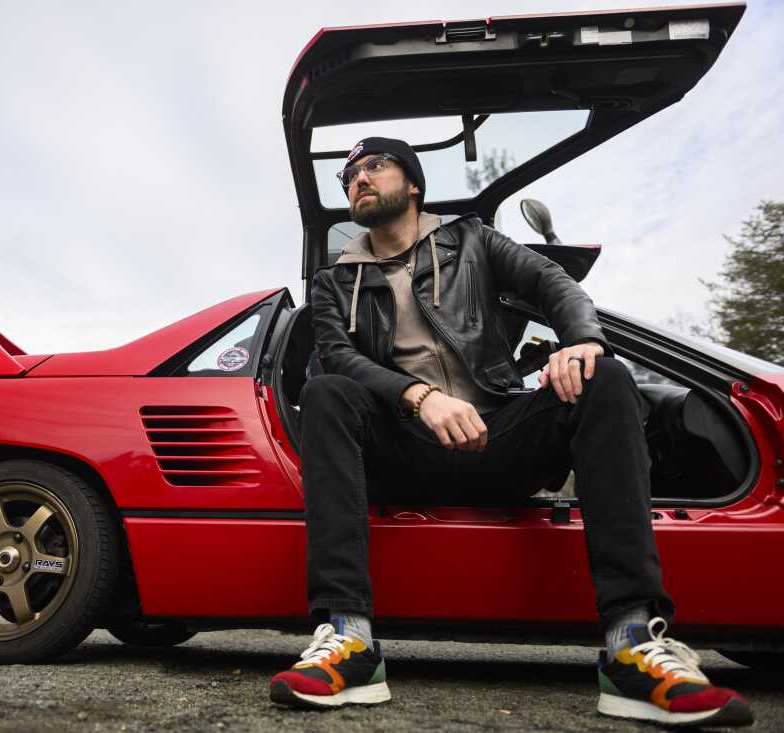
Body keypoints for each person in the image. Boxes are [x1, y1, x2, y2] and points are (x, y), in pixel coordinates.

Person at [268, 137, 753, 728]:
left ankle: (632, 645)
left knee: (606, 378)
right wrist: (418, 396)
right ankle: (347, 640)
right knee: (326, 391)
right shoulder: (333, 281)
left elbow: (555, 284)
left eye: (375, 166)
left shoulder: (473, 240)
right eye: (349, 176)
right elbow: (339, 357)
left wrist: (581, 343)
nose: (358, 180)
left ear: (413, 183)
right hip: (403, 448)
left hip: (500, 436)